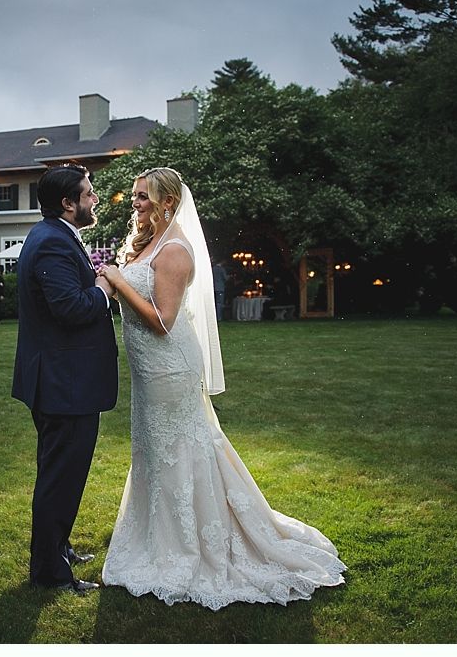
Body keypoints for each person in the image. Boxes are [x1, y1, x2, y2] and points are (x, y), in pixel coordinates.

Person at [96, 167, 345, 609]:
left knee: (181, 449)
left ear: (166, 202)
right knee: (155, 450)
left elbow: (162, 321)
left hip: (169, 367)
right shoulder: (145, 243)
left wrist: (116, 280)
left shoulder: (175, 251)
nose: (134, 203)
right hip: (148, 372)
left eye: (142, 197)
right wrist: (110, 281)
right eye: (134, 196)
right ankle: (160, 534)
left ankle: (191, 545)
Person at [12, 163, 118, 595]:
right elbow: (70, 308)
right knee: (60, 478)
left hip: (61, 381)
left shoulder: (55, 236)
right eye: (89, 194)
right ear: (68, 203)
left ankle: (58, 548)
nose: (94, 199)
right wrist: (104, 290)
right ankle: (50, 574)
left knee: (61, 474)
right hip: (63, 385)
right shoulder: (53, 244)